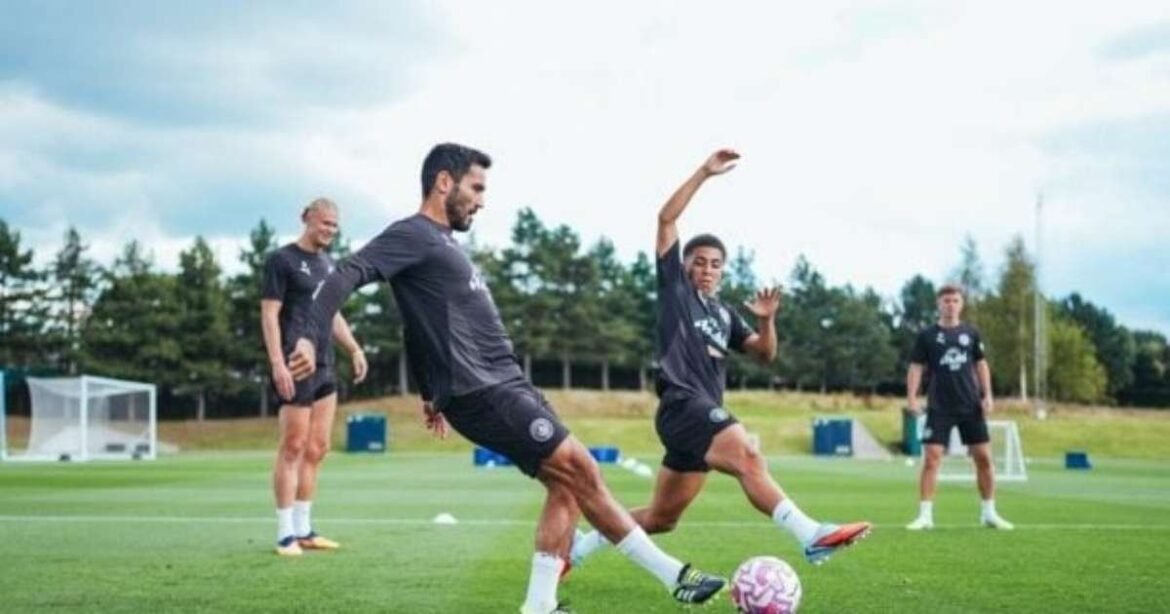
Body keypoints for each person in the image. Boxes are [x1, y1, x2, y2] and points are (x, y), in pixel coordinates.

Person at [287, 143, 727, 613]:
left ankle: (540, 606)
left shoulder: (442, 244)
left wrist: (429, 392)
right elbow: (344, 275)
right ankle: (673, 576)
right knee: (582, 469)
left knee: (566, 487)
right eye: (476, 187)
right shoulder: (413, 234)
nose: (481, 199)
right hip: (483, 389)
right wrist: (312, 337)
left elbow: (415, 324)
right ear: (443, 182)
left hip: (503, 383)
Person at [571, 149, 871, 568]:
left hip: (698, 415)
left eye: (715, 265)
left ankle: (579, 548)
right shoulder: (676, 293)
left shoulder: (725, 313)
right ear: (686, 266)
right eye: (699, 262)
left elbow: (765, 356)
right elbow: (665, 220)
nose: (707, 269)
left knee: (661, 518)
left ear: (722, 272)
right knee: (748, 455)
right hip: (682, 405)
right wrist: (704, 174)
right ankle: (811, 534)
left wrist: (767, 322)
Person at [261, 198, 368, 556]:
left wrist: (354, 348)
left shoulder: (329, 266)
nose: (329, 230)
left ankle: (304, 529)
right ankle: (284, 534)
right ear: (307, 218)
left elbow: (333, 315)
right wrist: (277, 362)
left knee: (317, 449)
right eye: (324, 223)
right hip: (295, 363)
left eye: (334, 226)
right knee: (292, 447)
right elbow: (270, 315)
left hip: (324, 365)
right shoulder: (281, 261)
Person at [905, 284, 1013, 530]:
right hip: (939, 407)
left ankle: (989, 512)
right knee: (931, 459)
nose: (950, 305)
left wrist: (988, 395)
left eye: (955, 300)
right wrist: (912, 397)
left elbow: (981, 364)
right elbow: (915, 367)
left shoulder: (971, 333)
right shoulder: (927, 336)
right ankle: (925, 516)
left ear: (961, 304)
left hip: (970, 406)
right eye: (946, 301)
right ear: (939, 305)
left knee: (984, 458)